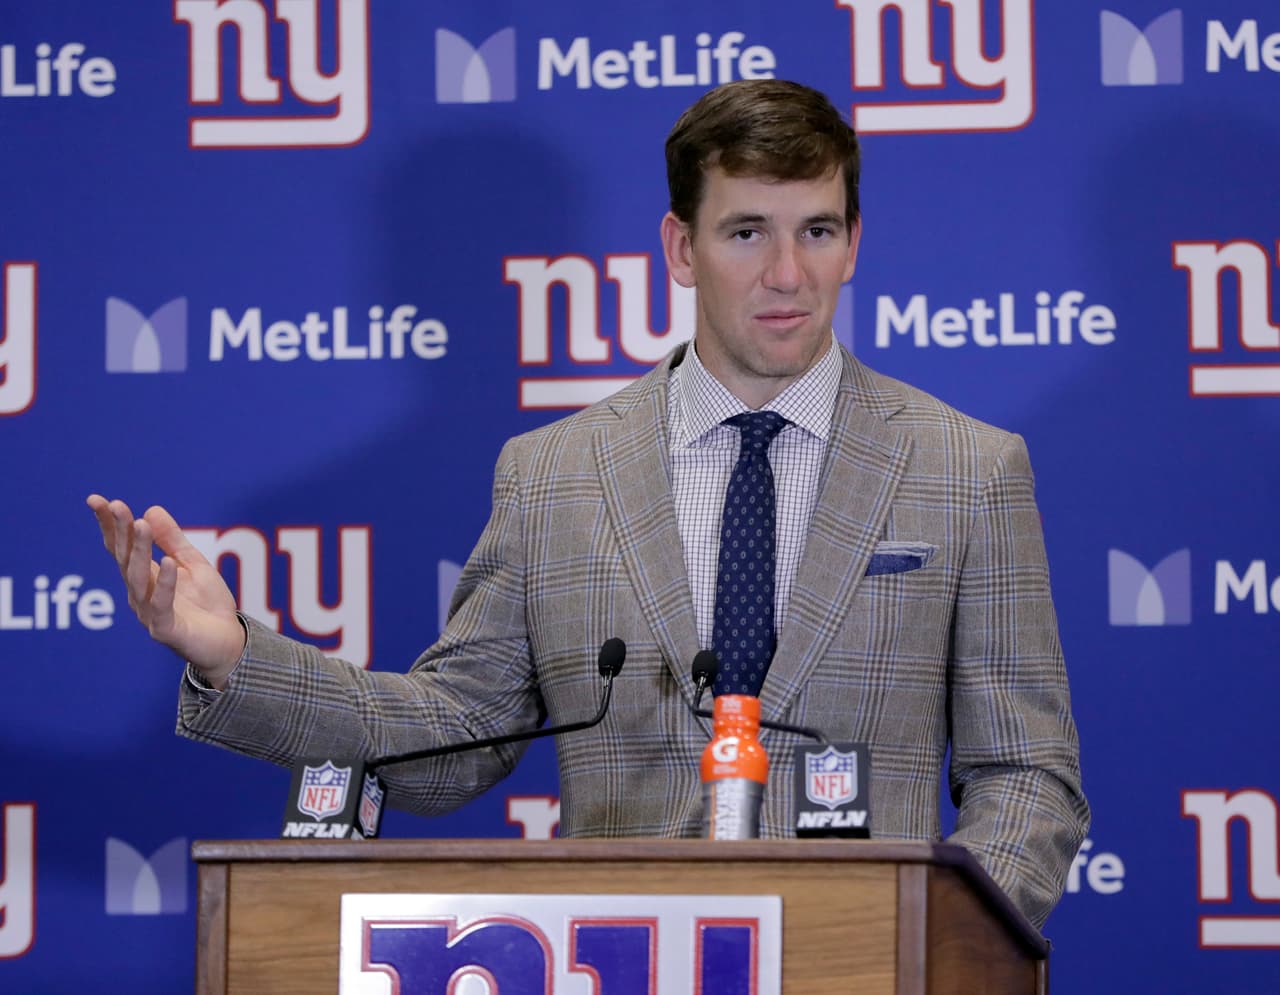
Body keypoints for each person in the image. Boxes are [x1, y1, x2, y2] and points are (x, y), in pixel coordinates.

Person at [88, 79, 1088, 929]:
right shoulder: (552, 475)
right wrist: (233, 654)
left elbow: (1027, 776)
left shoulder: (967, 468)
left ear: (853, 241)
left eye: (816, 231)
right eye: (746, 232)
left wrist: (932, 946)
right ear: (681, 247)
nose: (787, 274)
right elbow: (448, 736)